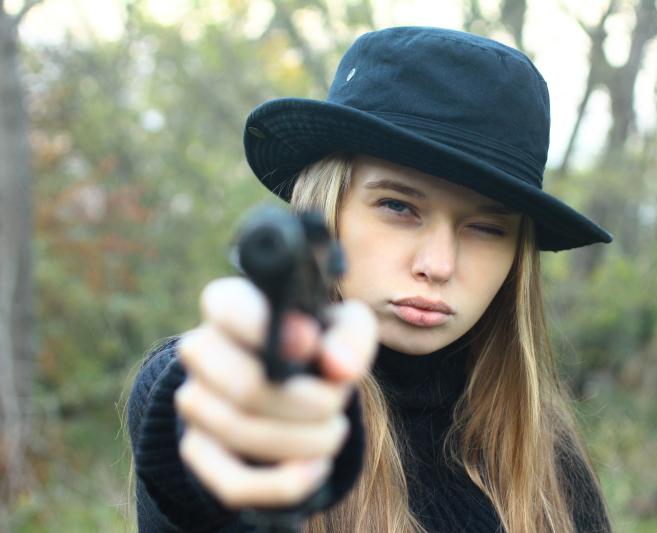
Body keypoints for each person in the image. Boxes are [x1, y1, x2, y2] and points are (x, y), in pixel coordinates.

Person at [126, 26, 614, 532]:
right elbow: (206, 439)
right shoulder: (214, 381)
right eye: (398, 206)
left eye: (488, 228)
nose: (438, 265)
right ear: (327, 208)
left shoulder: (542, 446)